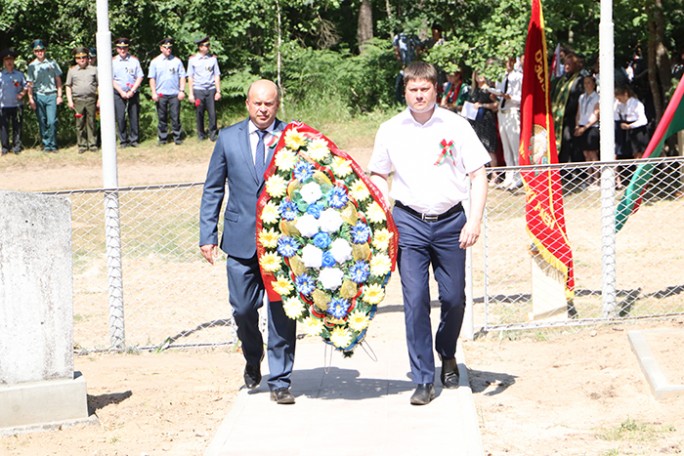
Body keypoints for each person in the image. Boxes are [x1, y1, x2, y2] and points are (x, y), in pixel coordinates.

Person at [368, 62, 489, 405]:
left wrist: (474, 220)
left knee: (453, 298)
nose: (419, 95)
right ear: (404, 91)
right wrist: (379, 213)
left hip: (452, 222)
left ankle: (447, 352)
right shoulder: (390, 129)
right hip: (409, 222)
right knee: (415, 301)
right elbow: (379, 174)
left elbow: (478, 175)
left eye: (425, 89)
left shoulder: (457, 125)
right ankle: (422, 378)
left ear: (436, 89)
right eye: (413, 90)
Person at [199, 79, 296, 405]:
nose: (263, 109)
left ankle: (281, 380)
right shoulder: (228, 138)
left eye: (269, 103)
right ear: (247, 104)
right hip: (240, 242)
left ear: (277, 104)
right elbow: (214, 188)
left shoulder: (292, 139)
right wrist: (207, 235)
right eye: (258, 103)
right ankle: (253, 356)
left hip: (283, 245)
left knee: (282, 313)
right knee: (243, 310)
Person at [26, 39, 62, 152]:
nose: (39, 52)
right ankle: (46, 145)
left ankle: (53, 144)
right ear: (34, 52)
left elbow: (58, 80)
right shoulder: (32, 66)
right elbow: (30, 84)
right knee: (42, 121)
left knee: (52, 121)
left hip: (51, 95)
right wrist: (31, 98)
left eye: (41, 50)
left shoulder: (52, 63)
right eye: (37, 51)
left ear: (44, 50)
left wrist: (59, 95)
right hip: (39, 95)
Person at [149, 38, 186, 145]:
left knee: (175, 117)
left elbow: (182, 76)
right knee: (162, 117)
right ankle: (163, 138)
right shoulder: (155, 62)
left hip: (174, 93)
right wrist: (153, 92)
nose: (168, 49)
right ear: (161, 49)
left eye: (170, 47)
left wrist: (182, 91)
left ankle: (177, 138)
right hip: (161, 94)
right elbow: (152, 78)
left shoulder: (177, 61)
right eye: (165, 48)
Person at [468, 70, 500, 186]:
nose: (479, 77)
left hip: (486, 120)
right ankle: (480, 175)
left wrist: (482, 105)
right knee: (477, 147)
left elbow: (496, 105)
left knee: (489, 147)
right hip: (476, 121)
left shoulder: (489, 90)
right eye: (477, 75)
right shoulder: (474, 91)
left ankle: (495, 175)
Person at [65, 46, 99, 153]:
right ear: (76, 59)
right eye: (79, 58)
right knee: (79, 124)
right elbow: (68, 86)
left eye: (84, 57)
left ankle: (92, 144)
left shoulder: (94, 69)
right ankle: (82, 145)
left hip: (91, 99)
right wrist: (70, 101)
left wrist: (100, 99)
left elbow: (99, 85)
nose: (82, 60)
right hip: (78, 100)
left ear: (87, 57)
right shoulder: (72, 70)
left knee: (91, 122)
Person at [187, 36, 221, 142]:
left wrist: (218, 91)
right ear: (200, 47)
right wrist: (191, 94)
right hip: (198, 90)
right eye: (204, 46)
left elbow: (216, 75)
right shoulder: (193, 60)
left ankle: (212, 134)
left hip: (210, 89)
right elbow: (190, 77)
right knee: (199, 113)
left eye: (208, 45)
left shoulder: (213, 59)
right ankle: (201, 134)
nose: (207, 48)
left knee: (212, 113)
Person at [497, 56, 523, 190]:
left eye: (508, 62)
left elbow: (522, 98)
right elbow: (498, 93)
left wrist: (510, 97)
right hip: (502, 112)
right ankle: (509, 176)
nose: (506, 64)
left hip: (512, 111)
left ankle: (519, 176)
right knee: (506, 147)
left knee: (515, 146)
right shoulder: (501, 76)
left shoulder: (519, 77)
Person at [112, 37, 144, 148]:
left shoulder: (134, 61)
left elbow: (140, 76)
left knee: (134, 116)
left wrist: (132, 90)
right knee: (120, 117)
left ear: (128, 48)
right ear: (117, 49)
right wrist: (121, 92)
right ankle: (123, 141)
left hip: (132, 92)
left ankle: (134, 139)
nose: (122, 50)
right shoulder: (112, 62)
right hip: (118, 92)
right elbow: (111, 79)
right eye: (120, 48)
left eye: (124, 48)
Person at [574, 75, 600, 190]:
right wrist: (577, 125)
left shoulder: (597, 97)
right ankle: (589, 178)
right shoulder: (581, 97)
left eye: (589, 83)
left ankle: (597, 179)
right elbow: (579, 112)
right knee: (586, 154)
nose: (586, 85)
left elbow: (596, 115)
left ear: (593, 84)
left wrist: (585, 128)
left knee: (593, 153)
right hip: (581, 125)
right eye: (585, 83)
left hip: (591, 126)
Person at [0, 48, 27, 155]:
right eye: (7, 60)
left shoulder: (19, 74)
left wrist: (22, 93)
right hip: (3, 105)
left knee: (17, 127)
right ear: (4, 62)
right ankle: (5, 147)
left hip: (17, 105)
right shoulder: (1, 75)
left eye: (11, 59)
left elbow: (26, 86)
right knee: (4, 128)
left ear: (14, 61)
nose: (9, 62)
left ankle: (17, 147)